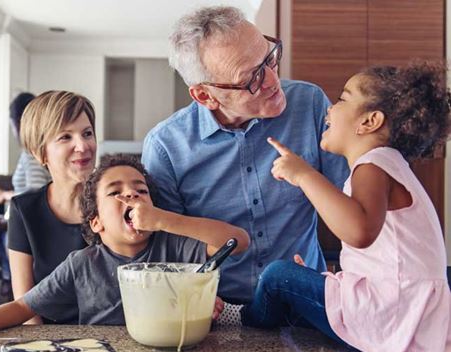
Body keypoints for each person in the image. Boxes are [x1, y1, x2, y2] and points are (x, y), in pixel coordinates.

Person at [242, 61, 451, 352]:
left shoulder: (373, 165)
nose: (330, 109)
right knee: (303, 283)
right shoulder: (390, 166)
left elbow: (359, 232)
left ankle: (241, 319)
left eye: (342, 98)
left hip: (390, 311)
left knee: (278, 276)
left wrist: (303, 174)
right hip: (408, 309)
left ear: (369, 122)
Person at [141, 6, 348, 303]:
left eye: (269, 59)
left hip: (306, 300)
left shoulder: (310, 103)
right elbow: (170, 247)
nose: (272, 80)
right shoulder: (166, 148)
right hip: (218, 313)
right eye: (251, 79)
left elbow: (350, 201)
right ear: (205, 95)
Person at [0, 154, 250, 345]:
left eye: (140, 190)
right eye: (115, 193)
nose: (130, 192)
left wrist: (166, 221)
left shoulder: (175, 246)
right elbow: (24, 307)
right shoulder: (82, 265)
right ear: (96, 222)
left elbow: (238, 241)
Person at [7, 90, 97, 324]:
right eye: (65, 137)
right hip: (47, 344)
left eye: (87, 133)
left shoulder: (116, 203)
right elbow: (25, 306)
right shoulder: (23, 210)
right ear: (40, 153)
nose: (82, 146)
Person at [0, 92, 51, 204]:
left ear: (17, 123)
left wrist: (3, 195)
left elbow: (36, 193)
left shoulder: (31, 152)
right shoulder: (40, 149)